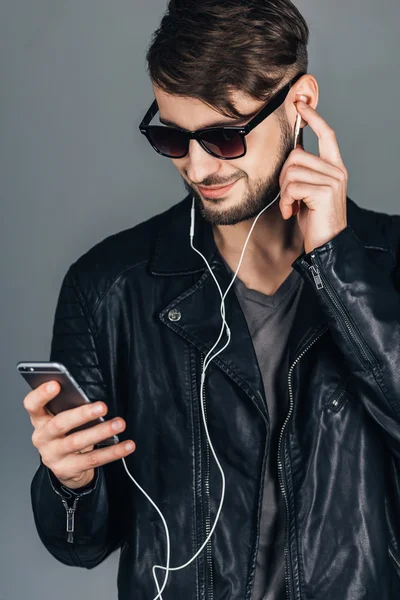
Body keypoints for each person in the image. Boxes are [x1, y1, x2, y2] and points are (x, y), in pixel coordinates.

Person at [24, 1, 400, 599]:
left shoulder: (390, 263)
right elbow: (81, 546)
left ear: (299, 103)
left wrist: (339, 265)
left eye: (225, 137)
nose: (197, 167)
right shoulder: (108, 285)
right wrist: (69, 482)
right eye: (172, 135)